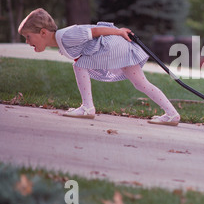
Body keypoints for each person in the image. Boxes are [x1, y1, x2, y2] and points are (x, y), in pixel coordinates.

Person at [18, 8, 180, 126]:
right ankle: (172, 114)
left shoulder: (66, 35)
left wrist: (118, 32)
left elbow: (94, 31)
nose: (27, 42)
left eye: (28, 37)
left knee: (79, 66)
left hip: (113, 46)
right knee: (140, 83)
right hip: (117, 48)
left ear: (43, 33)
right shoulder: (62, 41)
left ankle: (87, 107)